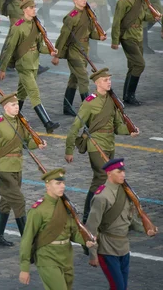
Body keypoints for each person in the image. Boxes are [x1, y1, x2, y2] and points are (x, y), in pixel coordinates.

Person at [64, 68, 139, 223]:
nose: (109, 82)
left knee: (109, 181)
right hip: (95, 144)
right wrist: (69, 150)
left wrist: (130, 131)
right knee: (100, 177)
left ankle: (107, 214)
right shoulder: (90, 102)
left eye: (110, 79)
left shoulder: (112, 101)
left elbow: (118, 126)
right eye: (105, 80)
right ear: (98, 83)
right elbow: (75, 126)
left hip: (109, 143)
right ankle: (87, 216)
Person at [0, 93, 46, 246]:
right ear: (6, 107)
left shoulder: (21, 123)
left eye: (17, 105)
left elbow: (26, 143)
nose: (17, 107)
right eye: (13, 105)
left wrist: (38, 144)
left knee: (6, 201)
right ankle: (28, 240)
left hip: (17, 166)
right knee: (19, 201)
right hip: (3, 168)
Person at [19, 168, 96, 289]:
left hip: (66, 256)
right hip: (47, 257)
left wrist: (86, 241)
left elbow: (73, 231)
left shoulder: (66, 206)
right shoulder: (38, 210)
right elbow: (27, 239)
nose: (62, 186)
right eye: (58, 183)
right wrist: (24, 268)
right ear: (48, 185)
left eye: (63, 183)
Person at [86, 158, 156, 289]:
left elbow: (128, 219)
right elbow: (91, 227)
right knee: (118, 287)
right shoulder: (102, 196)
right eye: (119, 172)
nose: (123, 174)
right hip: (107, 248)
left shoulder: (125, 191)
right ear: (109, 173)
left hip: (123, 247)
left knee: (122, 286)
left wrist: (146, 229)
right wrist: (93, 254)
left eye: (123, 171)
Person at [0, 0, 60, 133]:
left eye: (35, 7)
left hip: (33, 64)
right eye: (31, 8)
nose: (34, 10)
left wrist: (51, 51)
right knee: (34, 93)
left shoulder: (36, 25)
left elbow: (39, 47)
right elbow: (10, 49)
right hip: (23, 65)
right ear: (25, 9)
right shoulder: (18, 27)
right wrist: (2, 68)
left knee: (21, 94)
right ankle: (47, 122)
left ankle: (14, 117)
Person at [52, 0, 105, 115]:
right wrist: (57, 55)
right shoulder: (72, 17)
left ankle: (67, 106)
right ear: (75, 0)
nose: (84, 0)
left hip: (84, 50)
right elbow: (63, 36)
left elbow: (91, 32)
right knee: (83, 78)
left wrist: (99, 36)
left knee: (74, 79)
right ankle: (87, 109)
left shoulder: (88, 14)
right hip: (74, 50)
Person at [111, 0, 154, 106]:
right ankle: (130, 94)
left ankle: (127, 96)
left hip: (138, 35)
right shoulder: (124, 1)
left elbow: (142, 16)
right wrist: (115, 40)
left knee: (133, 66)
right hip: (127, 36)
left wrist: (153, 16)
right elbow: (116, 21)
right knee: (140, 64)